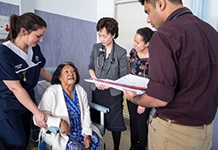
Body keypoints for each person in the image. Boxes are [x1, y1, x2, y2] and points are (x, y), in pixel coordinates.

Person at [124, 0, 218, 150]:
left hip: (175, 134)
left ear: (161, 4)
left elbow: (159, 98)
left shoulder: (165, 35)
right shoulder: (212, 32)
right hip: (205, 132)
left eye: (148, 11)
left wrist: (134, 98)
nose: (148, 19)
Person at [0, 12, 52, 149]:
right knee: (17, 144)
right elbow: (15, 88)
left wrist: (60, 82)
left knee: (26, 142)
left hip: (26, 103)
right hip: (8, 107)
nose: (41, 40)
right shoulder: (4, 53)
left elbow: (41, 71)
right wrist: (37, 112)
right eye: (38, 36)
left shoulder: (34, 49)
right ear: (23, 31)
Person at [35, 62, 101, 150]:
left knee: (95, 140)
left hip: (81, 129)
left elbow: (86, 113)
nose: (71, 74)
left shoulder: (80, 91)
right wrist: (59, 122)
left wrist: (87, 134)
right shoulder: (51, 92)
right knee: (75, 147)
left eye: (73, 71)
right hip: (61, 133)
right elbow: (40, 116)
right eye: (66, 72)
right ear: (59, 77)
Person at [88, 17, 129, 150]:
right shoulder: (96, 47)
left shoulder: (121, 53)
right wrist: (95, 79)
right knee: (98, 122)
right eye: (99, 35)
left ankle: (116, 148)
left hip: (113, 94)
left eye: (104, 36)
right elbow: (90, 67)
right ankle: (99, 145)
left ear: (113, 35)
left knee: (114, 124)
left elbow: (124, 77)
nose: (101, 38)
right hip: (98, 91)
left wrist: (110, 84)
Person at [127, 27, 154, 150]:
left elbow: (155, 81)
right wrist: (127, 89)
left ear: (147, 43)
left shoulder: (155, 58)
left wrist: (143, 103)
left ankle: (141, 147)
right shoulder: (133, 52)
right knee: (133, 121)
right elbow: (130, 72)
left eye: (138, 42)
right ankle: (133, 145)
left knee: (141, 123)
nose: (134, 44)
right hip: (131, 93)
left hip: (146, 96)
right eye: (134, 41)